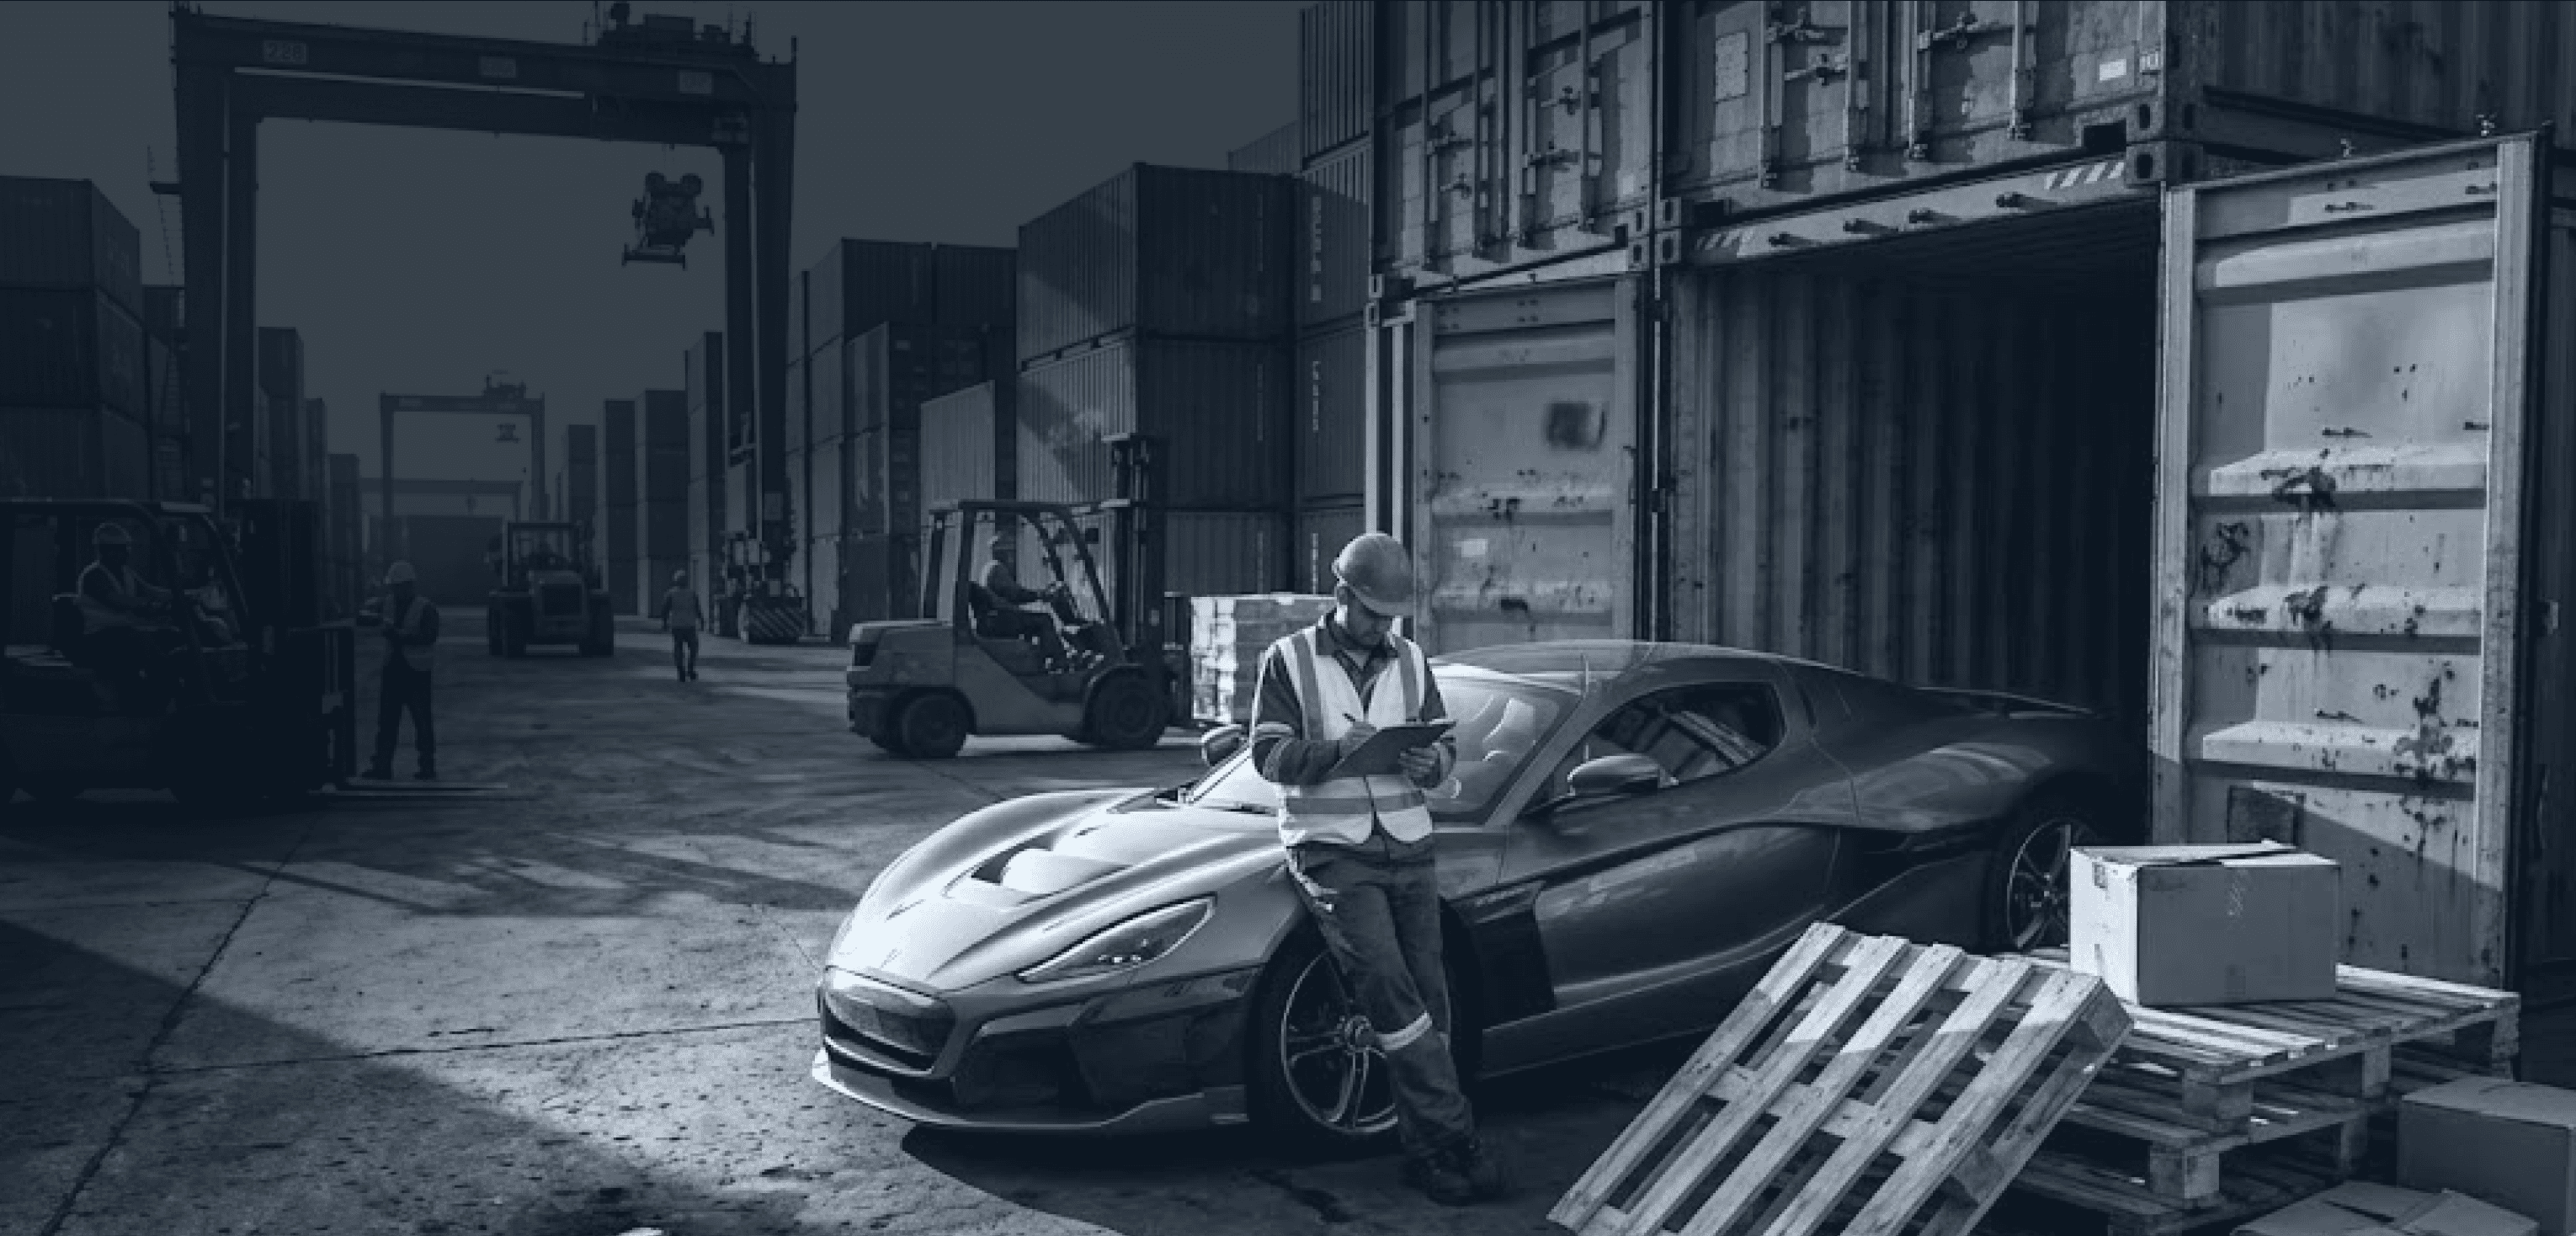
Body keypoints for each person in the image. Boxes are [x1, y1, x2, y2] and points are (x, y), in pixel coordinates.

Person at [1248, 531, 1503, 1207]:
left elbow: (1443, 746)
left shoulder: (1412, 660)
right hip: (1332, 850)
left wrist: (1433, 764)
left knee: (1431, 999)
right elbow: (1267, 758)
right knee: (1390, 993)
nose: (1383, 628)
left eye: (1391, 617)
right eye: (1372, 614)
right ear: (1340, 598)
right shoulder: (1288, 660)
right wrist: (1334, 752)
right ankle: (1457, 1138)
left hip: (1409, 843)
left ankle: (1430, 1153)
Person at [76, 522, 180, 704]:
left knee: (170, 636)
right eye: (118, 549)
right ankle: (160, 694)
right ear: (104, 551)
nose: (124, 553)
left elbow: (151, 591)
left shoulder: (126, 573)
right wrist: (148, 606)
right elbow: (117, 601)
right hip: (98, 637)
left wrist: (180, 595)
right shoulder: (94, 575)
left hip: (121, 632)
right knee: (141, 642)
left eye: (125, 549)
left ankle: (172, 690)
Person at [365, 562, 439, 782]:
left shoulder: (426, 608)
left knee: (422, 722)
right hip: (393, 670)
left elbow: (429, 636)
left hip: (416, 673)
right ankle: (382, 766)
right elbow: (370, 615)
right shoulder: (387, 603)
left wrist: (401, 636)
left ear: (409, 585)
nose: (396, 591)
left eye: (399, 586)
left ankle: (427, 767)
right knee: (387, 722)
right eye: (394, 587)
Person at [970, 534, 1071, 667]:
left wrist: (1038, 594)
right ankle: (1058, 660)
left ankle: (1037, 660)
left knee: (1029, 620)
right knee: (1044, 620)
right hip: (1001, 619)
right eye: (1010, 552)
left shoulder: (989, 568)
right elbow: (1015, 595)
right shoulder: (997, 568)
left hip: (996, 617)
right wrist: (1040, 595)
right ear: (1004, 553)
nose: (1012, 557)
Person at [658, 568, 703, 681]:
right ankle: (690, 669)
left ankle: (681, 671)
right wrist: (702, 621)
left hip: (677, 625)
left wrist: (664, 622)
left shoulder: (671, 594)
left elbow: (665, 610)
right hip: (690, 625)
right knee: (693, 648)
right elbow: (698, 609)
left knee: (678, 647)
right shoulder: (692, 593)